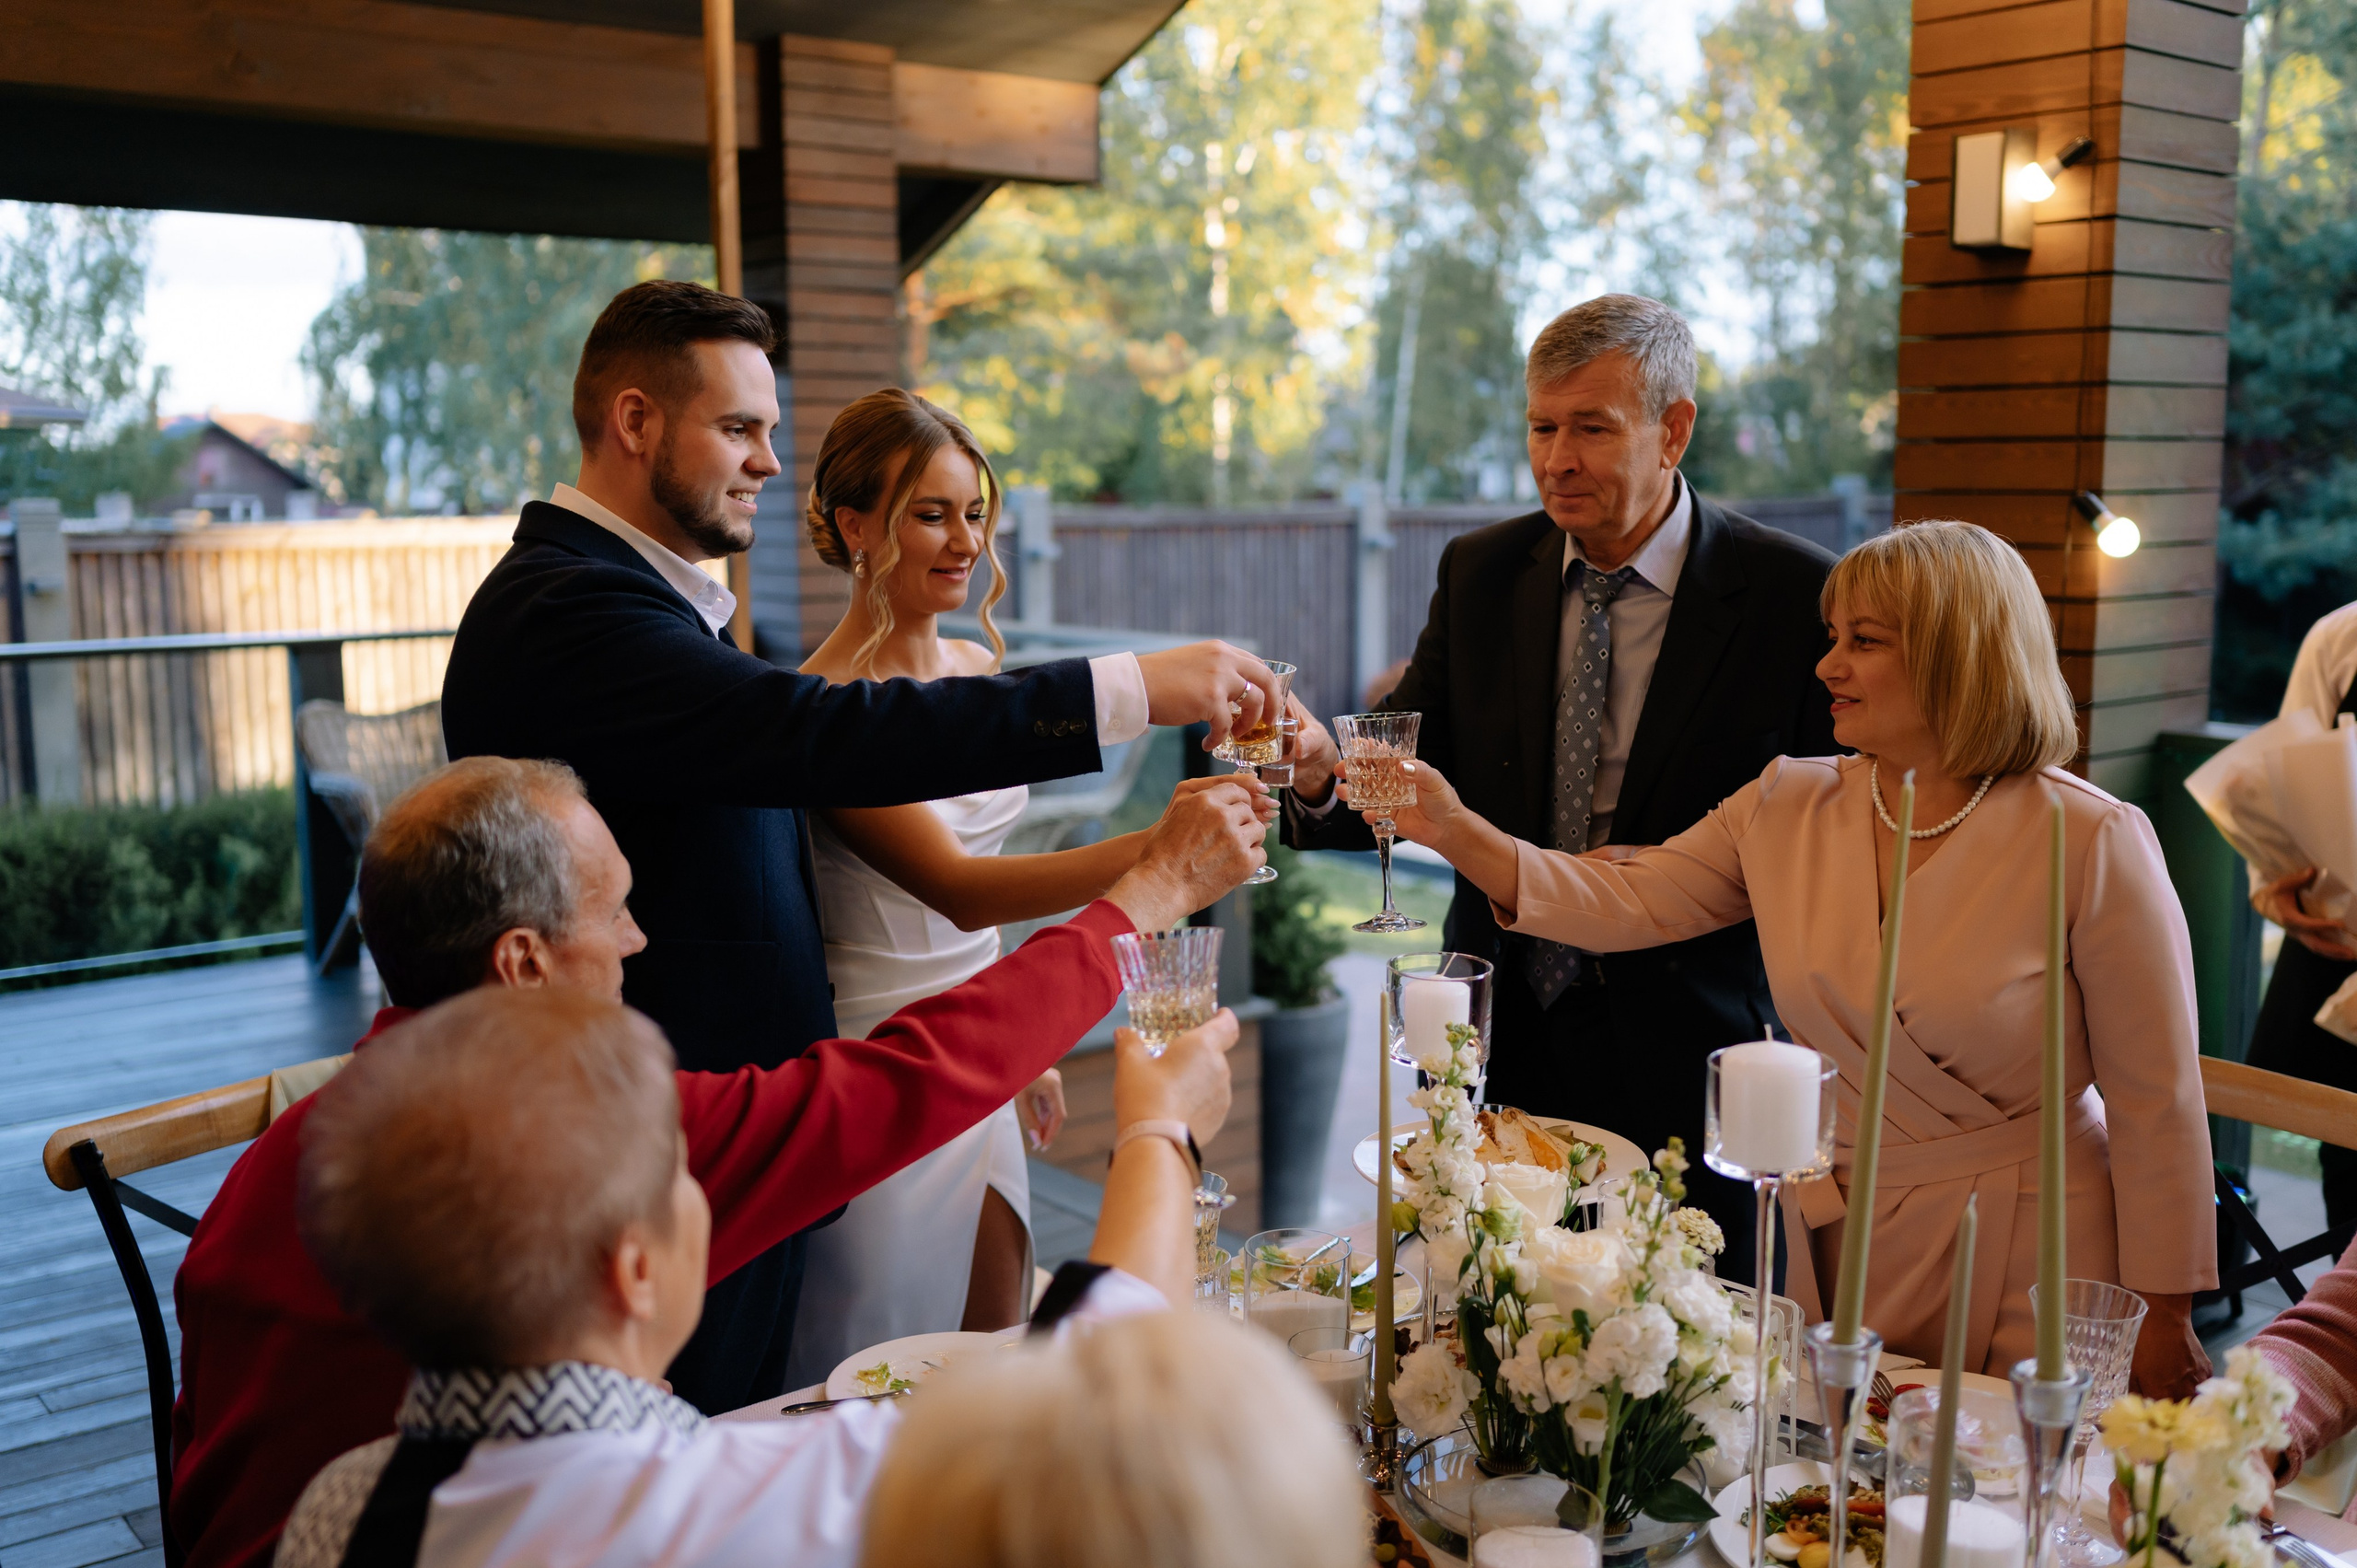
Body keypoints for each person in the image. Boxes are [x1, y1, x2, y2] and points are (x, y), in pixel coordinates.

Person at [439, 280, 1283, 1411]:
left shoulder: (647, 602)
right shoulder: (570, 611)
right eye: (739, 429)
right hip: (667, 1145)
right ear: (636, 422)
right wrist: (1130, 688)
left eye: (772, 432)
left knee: (908, 1389)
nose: (768, 462)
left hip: (776, 1122)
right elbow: (817, 735)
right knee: (804, 1415)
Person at [167, 755, 1263, 1568]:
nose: (640, 939)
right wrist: (1155, 1096)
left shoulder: (271, 1173)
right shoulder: (602, 1155)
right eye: (616, 911)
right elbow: (906, 1087)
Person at [1354, 519, 2217, 1391]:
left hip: (2042, 1248)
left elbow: (2159, 1101)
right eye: (1832, 637)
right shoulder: (1788, 804)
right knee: (1842, 1496)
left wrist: (2167, 1310)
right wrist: (1452, 827)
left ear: (1963, 652)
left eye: (1863, 642)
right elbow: (1625, 898)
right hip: (1845, 1236)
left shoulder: (2094, 837)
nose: (1826, 666)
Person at [273, 989, 1358, 1568]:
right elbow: (1104, 1367)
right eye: (678, 1176)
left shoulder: (334, 1510)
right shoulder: (791, 1487)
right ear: (637, 1266)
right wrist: (1160, 1125)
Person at [1283, 294, 1838, 1284]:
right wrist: (1324, 772)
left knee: (1664, 1377)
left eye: (1591, 426)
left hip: (1689, 1054)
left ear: (1674, 429)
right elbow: (1408, 765)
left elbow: (1826, 852)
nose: (1556, 458)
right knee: (1482, 1341)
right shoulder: (1483, 571)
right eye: (1542, 426)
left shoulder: (1794, 598)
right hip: (1497, 1038)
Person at [786, 389, 1225, 1377]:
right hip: (890, 1058)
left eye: (974, 512)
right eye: (930, 513)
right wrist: (1163, 850)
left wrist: (1022, 1043)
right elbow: (959, 887)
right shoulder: (822, 711)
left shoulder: (974, 665)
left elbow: (976, 903)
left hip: (982, 1040)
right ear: (857, 526)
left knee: (995, 1349)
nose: (964, 542)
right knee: (881, 1365)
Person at [2247, 600, 2357, 1227]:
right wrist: (2275, 888)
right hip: (2338, 954)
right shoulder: (2341, 637)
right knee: (2348, 1178)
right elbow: (2292, 782)